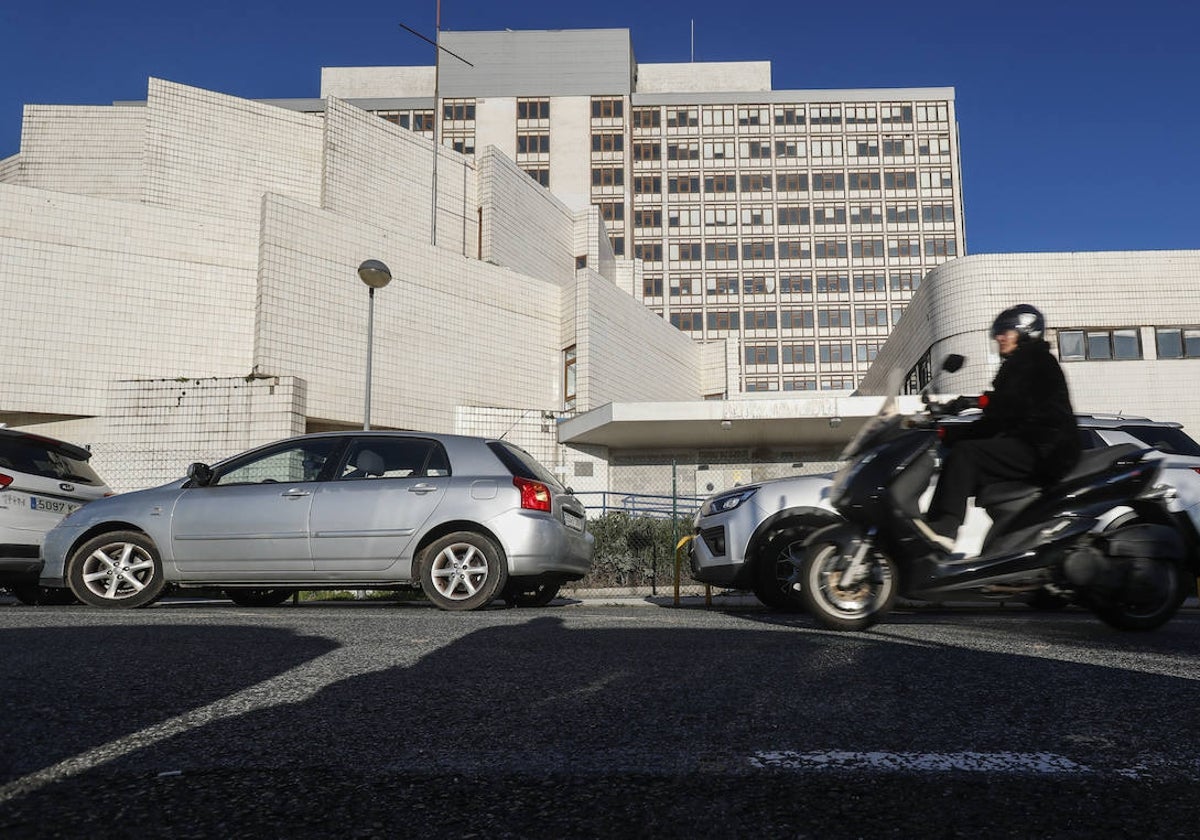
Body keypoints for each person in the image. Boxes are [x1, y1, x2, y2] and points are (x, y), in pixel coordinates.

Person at [920, 304, 1081, 550]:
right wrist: (950, 429)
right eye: (998, 332)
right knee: (965, 458)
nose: (999, 337)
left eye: (1006, 331)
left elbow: (1005, 412)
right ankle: (938, 527)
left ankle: (944, 527)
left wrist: (972, 409)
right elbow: (1001, 414)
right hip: (1034, 445)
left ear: (1026, 331)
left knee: (966, 455)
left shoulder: (1034, 362)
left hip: (1045, 450)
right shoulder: (1021, 363)